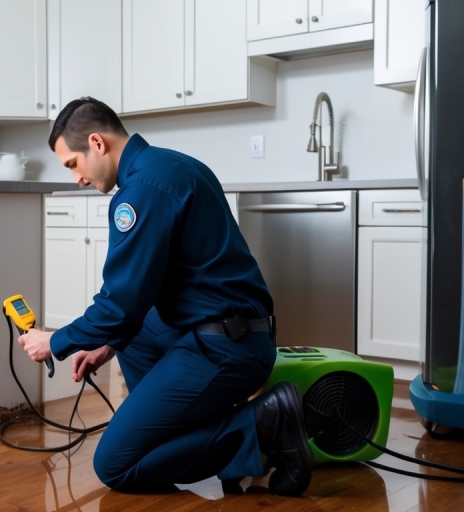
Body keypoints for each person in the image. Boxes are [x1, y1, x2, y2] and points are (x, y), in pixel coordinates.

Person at [18, 97, 314, 496]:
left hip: (226, 348)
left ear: (97, 143)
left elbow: (119, 305)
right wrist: (109, 344)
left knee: (114, 465)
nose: (78, 179)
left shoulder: (140, 193)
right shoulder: (174, 164)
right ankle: (181, 434)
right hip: (237, 332)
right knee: (132, 337)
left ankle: (259, 427)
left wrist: (53, 341)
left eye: (74, 164)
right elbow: (140, 301)